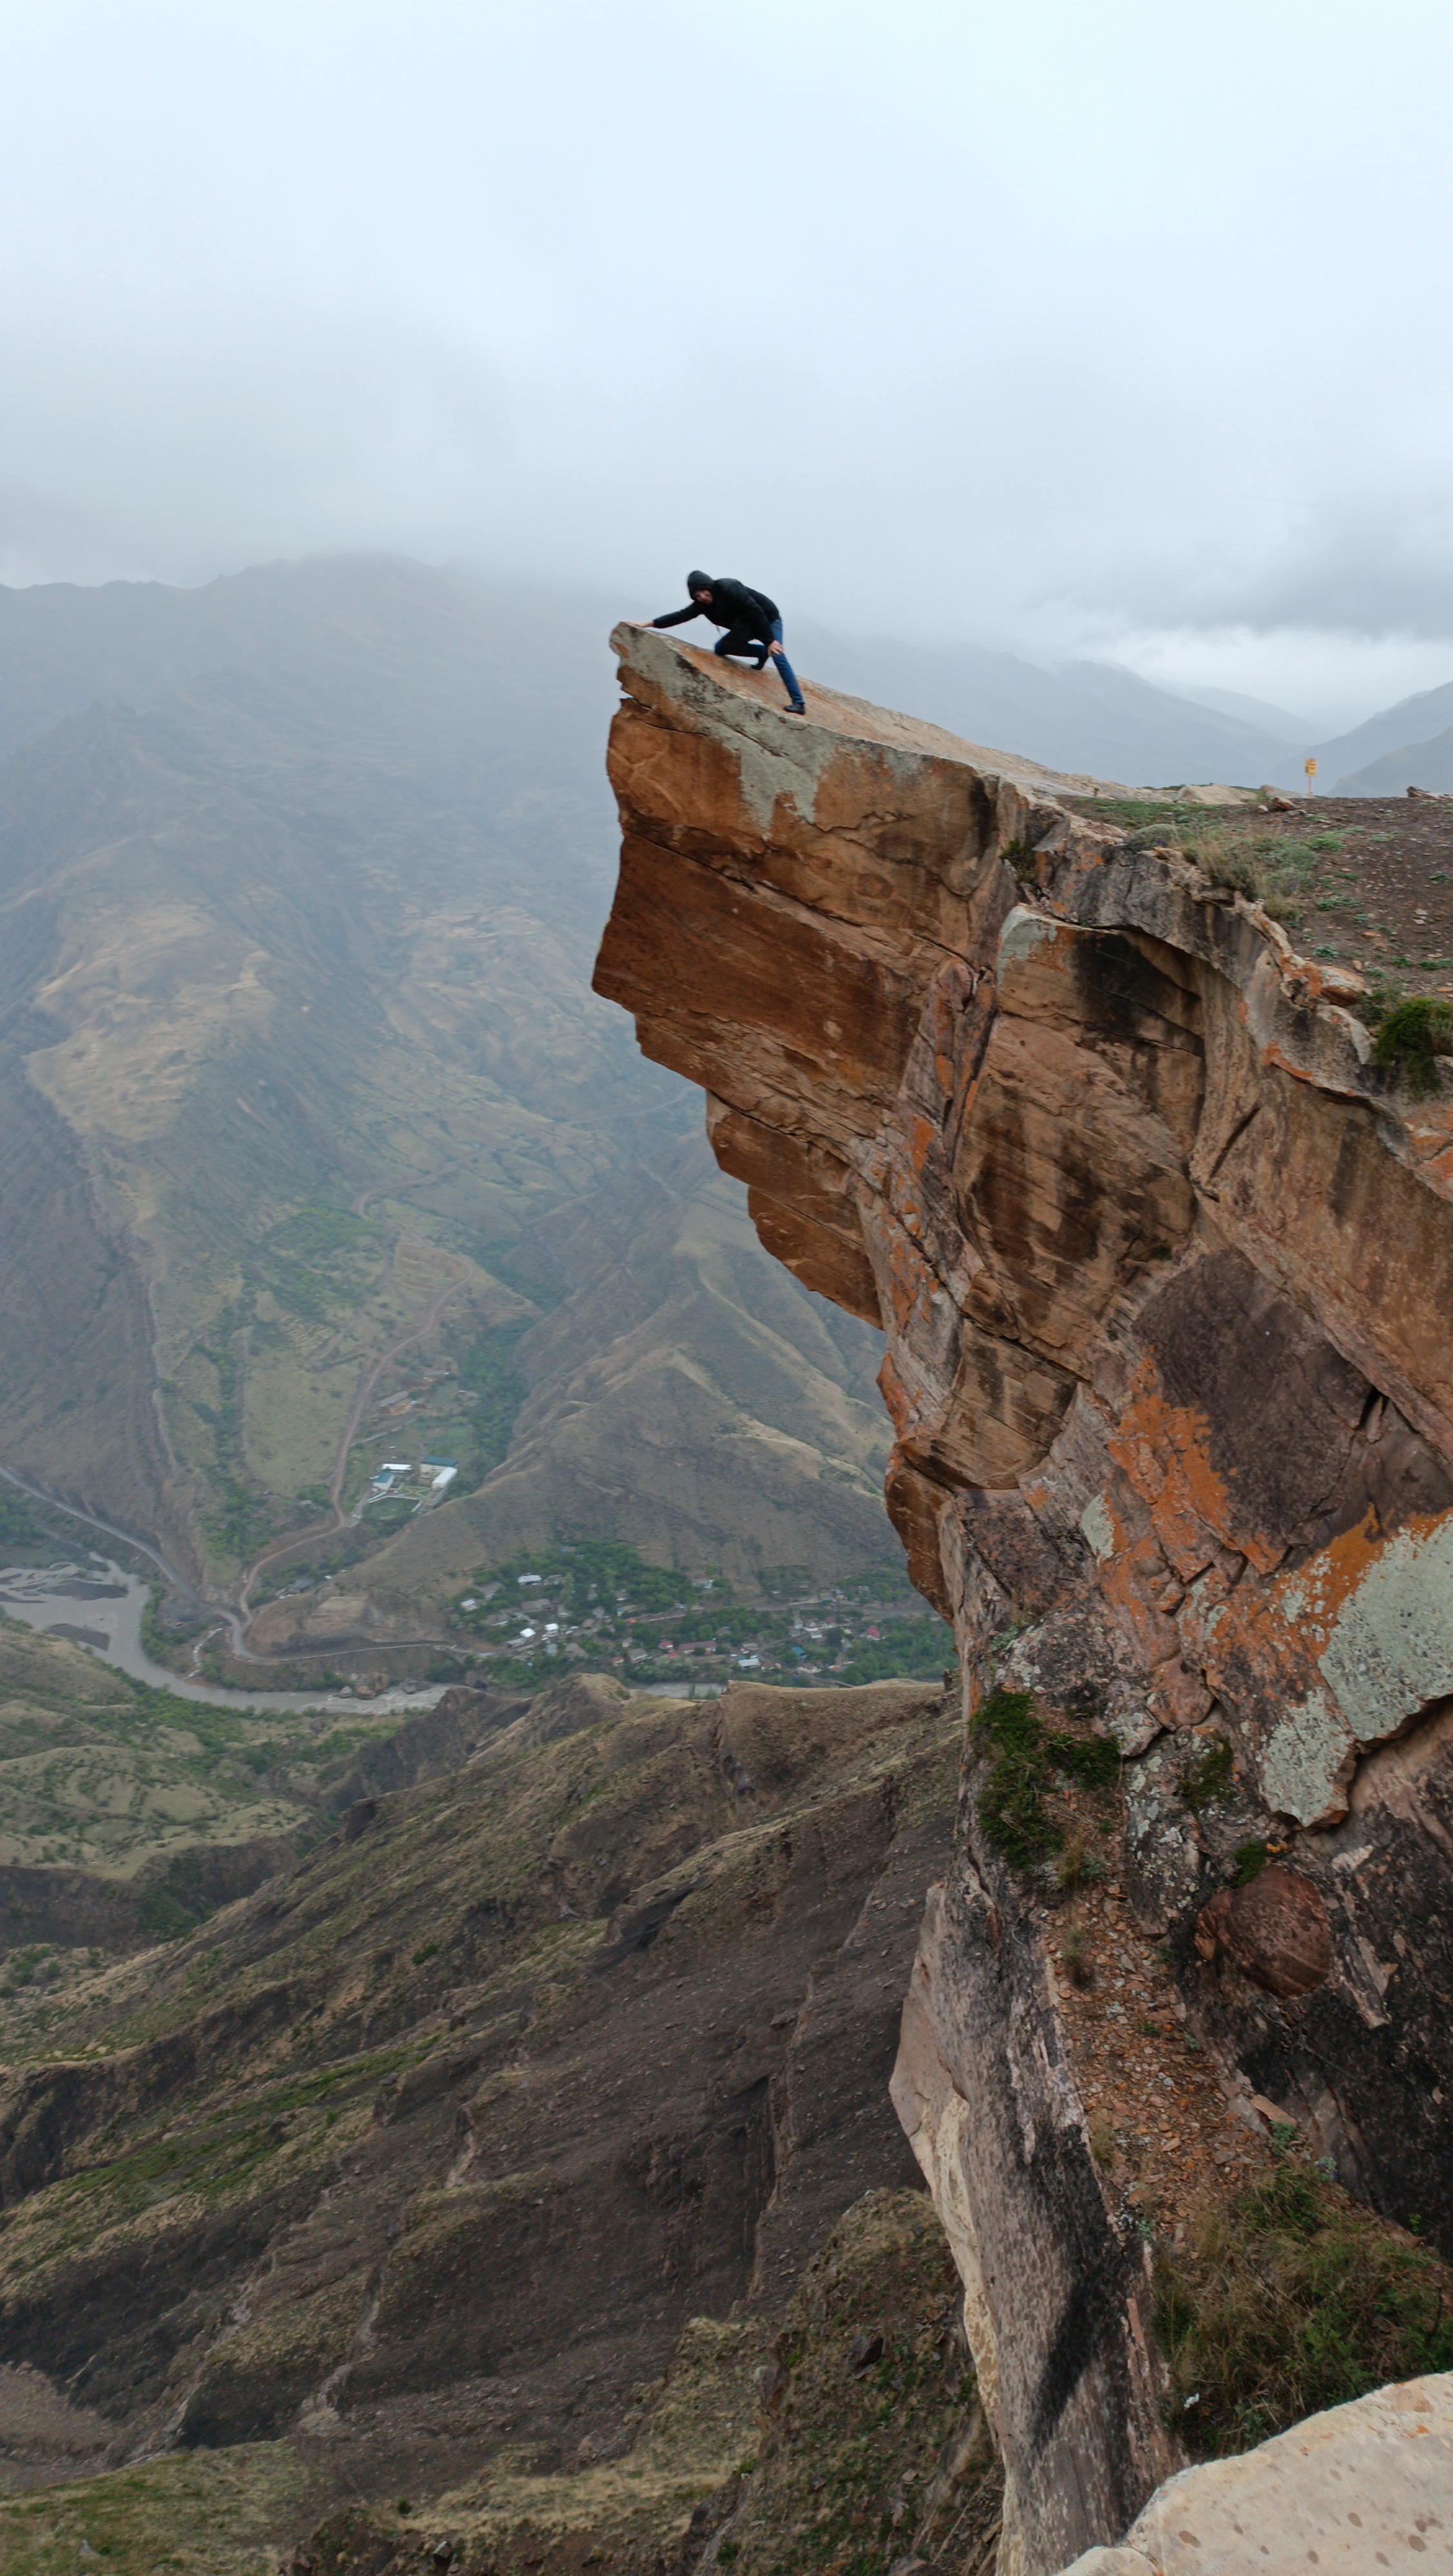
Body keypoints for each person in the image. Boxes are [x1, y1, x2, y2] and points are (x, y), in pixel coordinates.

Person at [643, 571, 806, 714]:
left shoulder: (729, 587)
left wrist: (770, 641)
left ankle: (798, 703)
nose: (702, 597)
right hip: (745, 625)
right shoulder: (702, 606)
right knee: (720, 649)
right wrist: (649, 624)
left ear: (708, 586)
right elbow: (680, 616)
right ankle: (761, 653)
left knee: (777, 653)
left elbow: (755, 611)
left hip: (768, 619)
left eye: (703, 592)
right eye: (697, 596)